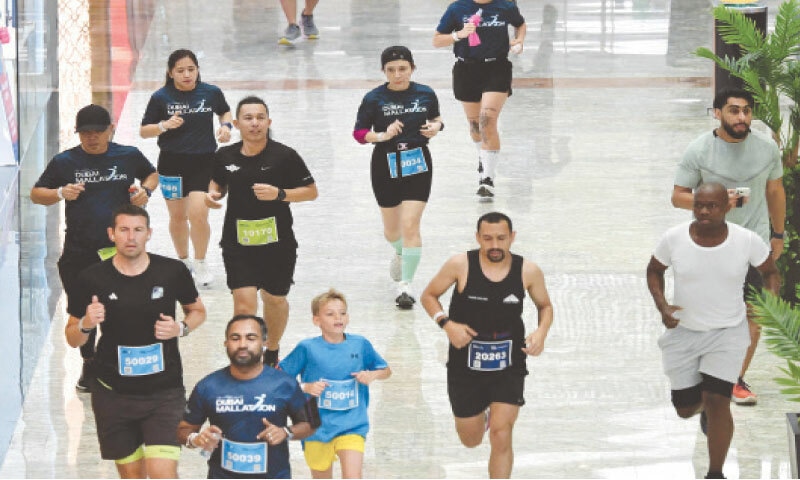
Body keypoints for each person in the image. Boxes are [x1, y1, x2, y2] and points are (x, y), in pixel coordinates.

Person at [647, 182, 780, 480]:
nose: (704, 211)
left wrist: (766, 304)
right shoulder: (674, 238)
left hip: (728, 332)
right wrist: (663, 306)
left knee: (720, 400)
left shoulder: (746, 240)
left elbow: (770, 272)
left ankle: (715, 473)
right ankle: (704, 405)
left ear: (727, 207)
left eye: (712, 205)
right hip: (684, 332)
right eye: (699, 205)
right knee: (684, 408)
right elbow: (654, 269)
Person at [64, 204, 206, 478]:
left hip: (164, 392)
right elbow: (71, 337)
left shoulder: (172, 271)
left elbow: (198, 310)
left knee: (162, 472)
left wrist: (181, 328)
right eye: (124, 230)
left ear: (149, 233)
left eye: (138, 230)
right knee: (132, 475)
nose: (131, 237)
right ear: (112, 234)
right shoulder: (91, 278)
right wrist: (86, 324)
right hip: (113, 393)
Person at [31, 104, 159, 392]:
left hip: (120, 252)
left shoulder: (127, 156)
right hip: (79, 252)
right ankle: (89, 362)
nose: (91, 138)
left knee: (121, 308)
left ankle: (120, 363)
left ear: (110, 130)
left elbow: (152, 174)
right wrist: (60, 192)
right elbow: (36, 194)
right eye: (85, 133)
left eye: (98, 132)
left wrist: (146, 191)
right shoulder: (65, 162)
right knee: (83, 312)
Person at [671, 88, 786, 405]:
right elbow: (678, 195)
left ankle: (734, 379)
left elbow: (775, 192)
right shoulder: (700, 150)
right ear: (717, 113)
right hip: (710, 245)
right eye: (734, 110)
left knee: (752, 315)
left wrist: (778, 235)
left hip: (754, 243)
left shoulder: (765, 149)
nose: (742, 117)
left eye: (747, 110)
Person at [420, 211, 553, 478]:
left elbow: (545, 305)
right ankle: (480, 415)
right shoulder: (460, 265)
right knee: (470, 440)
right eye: (488, 238)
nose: (494, 245)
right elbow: (429, 295)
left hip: (509, 363)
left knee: (501, 433)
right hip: (464, 365)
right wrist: (447, 324)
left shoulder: (528, 270)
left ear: (512, 238)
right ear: (478, 238)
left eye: (501, 238)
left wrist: (541, 332)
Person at [206, 96, 318, 367]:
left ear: (268, 122)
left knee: (274, 299)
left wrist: (280, 194)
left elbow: (311, 192)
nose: (254, 123)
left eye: (260, 118)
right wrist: (212, 194)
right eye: (248, 118)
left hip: (278, 244)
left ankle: (272, 351)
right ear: (236, 123)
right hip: (238, 243)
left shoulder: (285, 156)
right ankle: (245, 360)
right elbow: (216, 183)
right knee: (244, 306)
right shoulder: (225, 156)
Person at [353, 46, 443, 309]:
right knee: (392, 230)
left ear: (412, 68)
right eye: (391, 70)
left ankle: (405, 286)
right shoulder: (373, 98)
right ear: (383, 71)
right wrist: (382, 136)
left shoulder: (425, 93)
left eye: (402, 69)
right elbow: (359, 133)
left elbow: (436, 118)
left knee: (411, 224)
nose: (397, 74)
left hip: (418, 162)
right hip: (385, 163)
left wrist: (437, 126)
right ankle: (401, 251)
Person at [177, 314, 314, 479]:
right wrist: (196, 439)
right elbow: (182, 430)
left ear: (264, 343)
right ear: (226, 343)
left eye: (251, 338)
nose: (242, 344)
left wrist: (286, 432)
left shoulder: (287, 383)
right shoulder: (207, 386)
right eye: (235, 338)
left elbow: (312, 423)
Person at [140, 48, 233, 286]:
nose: (187, 74)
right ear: (171, 73)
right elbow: (144, 131)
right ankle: (183, 262)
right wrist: (164, 125)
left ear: (198, 70)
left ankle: (201, 262)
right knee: (178, 216)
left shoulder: (210, 92)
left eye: (191, 69)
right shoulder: (161, 97)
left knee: (198, 214)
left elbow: (224, 111)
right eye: (180, 70)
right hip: (172, 163)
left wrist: (226, 126)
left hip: (204, 162)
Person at [279, 289, 391, 478]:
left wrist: (372, 375)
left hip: (352, 426)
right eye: (330, 314)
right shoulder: (307, 348)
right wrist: (306, 387)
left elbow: (386, 370)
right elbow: (279, 381)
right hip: (315, 428)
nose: (337, 317)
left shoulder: (360, 344)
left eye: (342, 313)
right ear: (317, 320)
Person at [433, 0, 526, 199]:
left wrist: (519, 40)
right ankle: (484, 157)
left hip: (497, 68)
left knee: (487, 120)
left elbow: (520, 24)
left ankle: (487, 180)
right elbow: (437, 40)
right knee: (475, 125)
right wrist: (458, 35)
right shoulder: (457, 8)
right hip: (466, 69)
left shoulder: (506, 6)